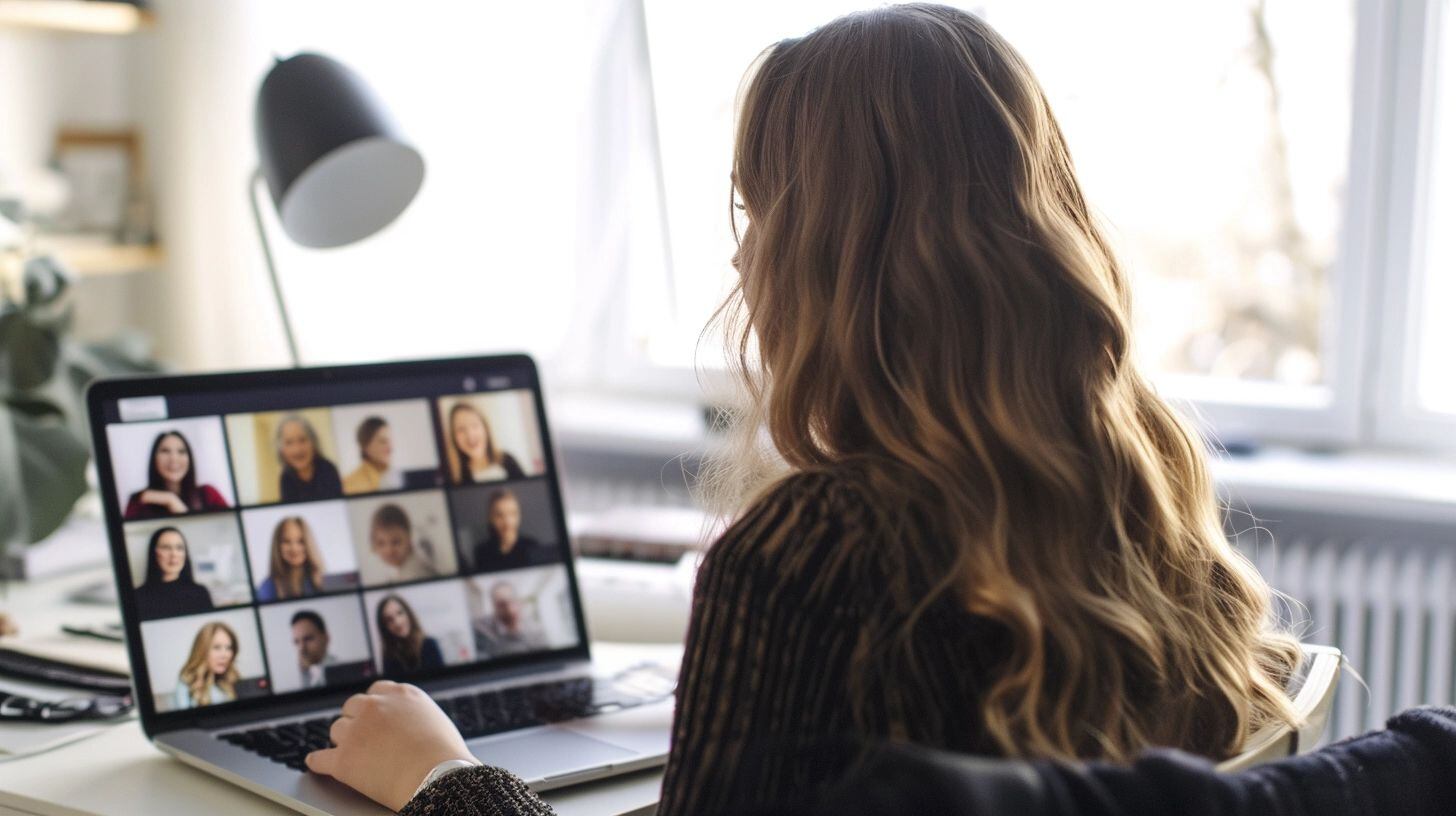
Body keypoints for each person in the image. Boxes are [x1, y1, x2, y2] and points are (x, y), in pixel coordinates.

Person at [306, 7, 1303, 814]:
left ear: (833, 247)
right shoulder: (1136, 480)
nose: (742, 258)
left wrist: (441, 778)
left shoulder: (815, 553)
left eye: (760, 210)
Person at [123, 430, 230, 519]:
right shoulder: (139, 500)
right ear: (154, 459)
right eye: (165, 451)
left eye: (181, 451)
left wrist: (172, 501)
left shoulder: (208, 494)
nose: (174, 459)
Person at [133, 526, 215, 620]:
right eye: (166, 547)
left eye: (179, 548)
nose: (174, 554)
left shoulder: (200, 593)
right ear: (154, 553)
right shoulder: (138, 596)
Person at [469, 489, 556, 572]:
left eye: (512, 514)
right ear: (490, 518)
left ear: (519, 516)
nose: (507, 522)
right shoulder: (482, 552)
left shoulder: (533, 547)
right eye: (499, 515)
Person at [447, 403, 525, 484]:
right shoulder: (456, 477)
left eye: (474, 425)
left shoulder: (508, 460)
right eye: (461, 429)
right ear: (454, 438)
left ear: (485, 429)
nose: (470, 434)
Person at [171, 621, 239, 709]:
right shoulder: (186, 682)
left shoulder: (231, 679)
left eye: (229, 648)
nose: (225, 655)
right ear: (202, 650)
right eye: (217, 647)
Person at [276, 415, 343, 502]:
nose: (297, 449)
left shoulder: (328, 469)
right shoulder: (285, 478)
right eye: (289, 443)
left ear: (313, 443)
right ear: (281, 449)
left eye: (302, 440)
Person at [257, 516, 326, 601]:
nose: (294, 548)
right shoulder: (267, 588)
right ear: (277, 546)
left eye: (301, 541)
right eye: (286, 541)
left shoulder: (323, 581)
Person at [472, 581, 547, 658]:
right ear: (494, 607)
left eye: (512, 601)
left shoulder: (536, 630)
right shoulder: (484, 632)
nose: (509, 609)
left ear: (518, 601)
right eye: (502, 605)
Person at [367, 503, 437, 584]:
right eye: (381, 543)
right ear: (373, 544)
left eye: (396, 542)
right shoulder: (398, 571)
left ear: (409, 539)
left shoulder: (416, 573)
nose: (389, 551)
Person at [375, 595, 444, 676]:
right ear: (385, 627)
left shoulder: (429, 645)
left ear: (408, 614)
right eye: (389, 620)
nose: (397, 622)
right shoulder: (389, 657)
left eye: (400, 613)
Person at [343, 416, 403, 495]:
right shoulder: (349, 485)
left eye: (390, 441)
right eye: (383, 441)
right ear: (365, 446)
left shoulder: (395, 478)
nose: (390, 448)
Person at [291, 610, 337, 690]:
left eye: (308, 639)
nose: (302, 648)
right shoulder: (304, 675)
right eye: (297, 642)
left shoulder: (340, 671)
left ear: (326, 638)